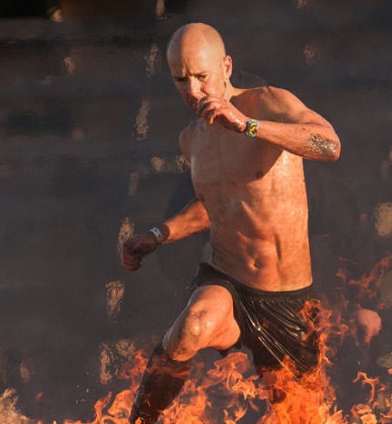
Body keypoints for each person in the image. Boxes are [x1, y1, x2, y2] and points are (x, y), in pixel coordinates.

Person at [119, 22, 342, 423]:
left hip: (286, 299)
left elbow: (329, 145)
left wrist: (247, 125)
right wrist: (158, 235)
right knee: (192, 327)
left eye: (201, 76)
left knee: (302, 415)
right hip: (227, 280)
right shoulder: (191, 139)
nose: (193, 91)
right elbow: (215, 204)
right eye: (181, 80)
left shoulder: (267, 102)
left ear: (225, 67)